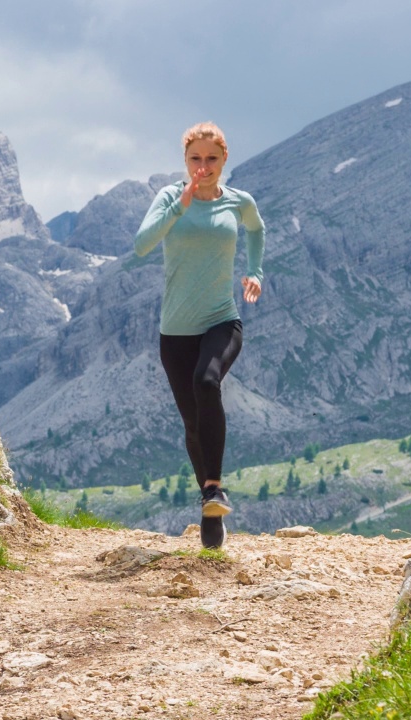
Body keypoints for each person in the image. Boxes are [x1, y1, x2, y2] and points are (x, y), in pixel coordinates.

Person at [133, 121, 265, 549]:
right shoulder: (171, 197)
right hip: (175, 331)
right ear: (185, 161)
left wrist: (256, 271)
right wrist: (179, 207)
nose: (203, 167)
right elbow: (141, 245)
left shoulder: (238, 202)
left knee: (207, 381)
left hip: (222, 319)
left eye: (211, 159)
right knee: (193, 424)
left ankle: (213, 488)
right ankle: (211, 510)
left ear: (225, 159)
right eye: (195, 159)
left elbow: (256, 229)